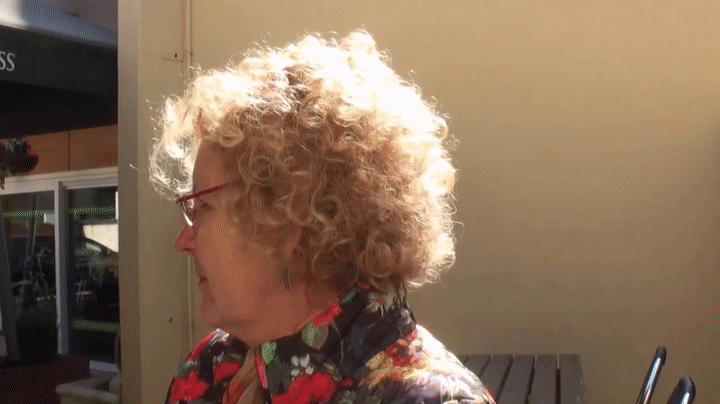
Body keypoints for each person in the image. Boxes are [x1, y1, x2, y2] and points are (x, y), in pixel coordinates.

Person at [150, 30, 495, 404]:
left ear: (288, 217)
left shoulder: (425, 398)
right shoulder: (210, 368)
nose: (183, 242)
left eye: (203, 206)